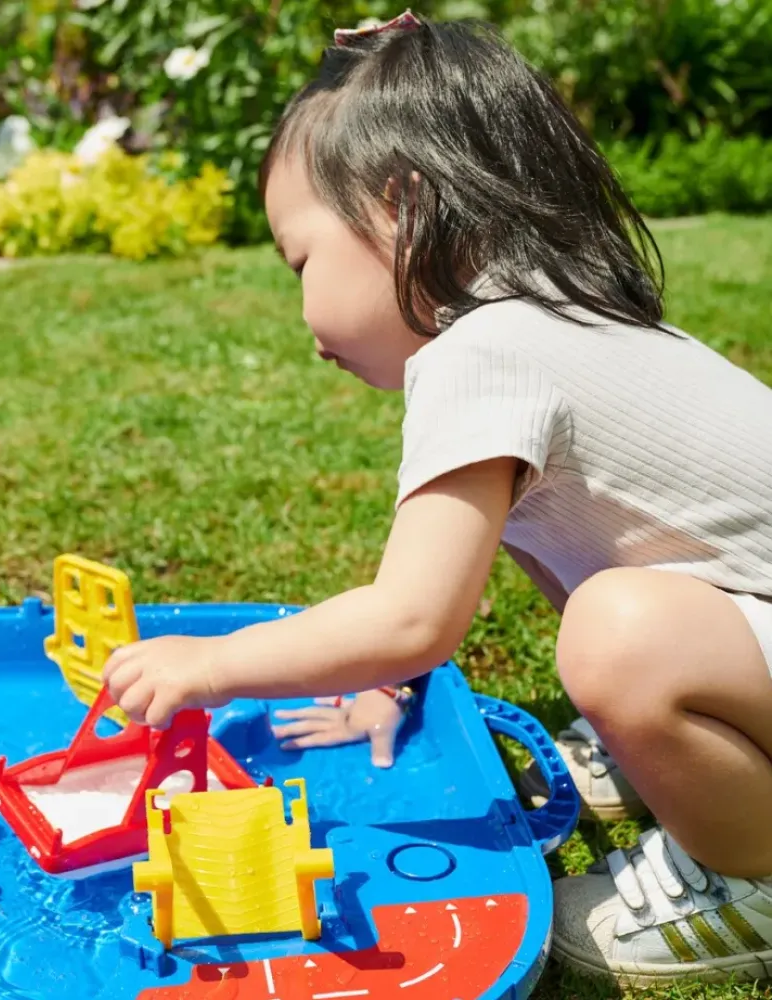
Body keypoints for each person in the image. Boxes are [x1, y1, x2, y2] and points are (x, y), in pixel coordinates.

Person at [104, 10, 772, 986]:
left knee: (617, 631)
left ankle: (747, 876)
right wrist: (382, 681)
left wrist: (212, 665)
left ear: (398, 210)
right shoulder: (546, 322)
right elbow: (471, 583)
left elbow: (413, 614)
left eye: (299, 260)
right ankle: (678, 753)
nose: (299, 311)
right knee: (612, 612)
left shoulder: (483, 355)